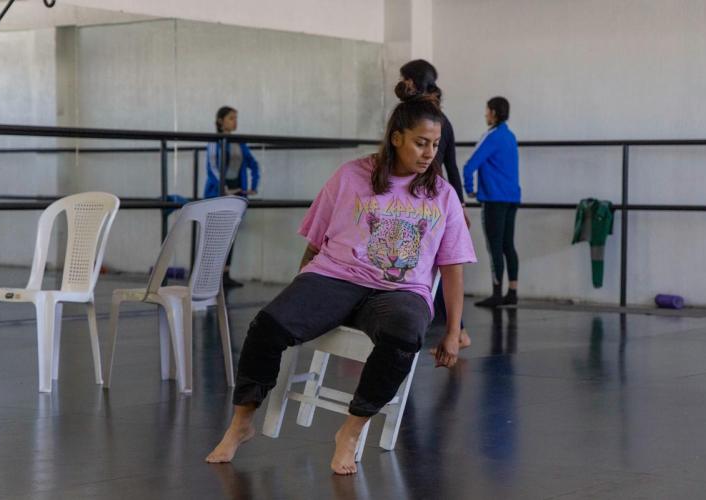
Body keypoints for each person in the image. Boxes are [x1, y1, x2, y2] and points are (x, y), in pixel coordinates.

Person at [205, 95, 476, 475]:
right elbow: (315, 242)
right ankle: (241, 423)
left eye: (436, 144)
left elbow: (452, 267)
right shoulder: (351, 175)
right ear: (396, 137)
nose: (430, 153)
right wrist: (300, 292)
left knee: (404, 335)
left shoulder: (442, 196)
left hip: (400, 292)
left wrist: (452, 331)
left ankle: (350, 430)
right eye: (421, 142)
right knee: (267, 325)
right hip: (334, 276)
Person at [396, 59, 472, 348]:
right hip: (424, 198)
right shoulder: (435, 118)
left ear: (412, 82)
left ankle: (457, 329)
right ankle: (458, 329)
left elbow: (450, 166)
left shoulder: (425, 120)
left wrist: (458, 207)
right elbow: (453, 166)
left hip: (424, 199)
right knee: (435, 266)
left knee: (429, 265)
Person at [463, 96, 520, 307]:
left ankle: (497, 293)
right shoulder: (510, 136)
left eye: (487, 111)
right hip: (512, 198)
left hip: (494, 200)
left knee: (495, 246)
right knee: (508, 245)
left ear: (494, 113)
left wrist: (469, 190)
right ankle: (512, 292)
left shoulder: (492, 136)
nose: (485, 114)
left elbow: (469, 166)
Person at [204, 106, 260, 288]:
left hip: (237, 192)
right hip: (219, 192)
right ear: (220, 121)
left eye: (236, 118)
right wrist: (224, 188)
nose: (234, 122)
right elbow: (212, 167)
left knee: (230, 233)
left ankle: (225, 275)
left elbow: (253, 163)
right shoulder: (215, 141)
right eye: (230, 118)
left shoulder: (239, 142)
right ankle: (210, 275)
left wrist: (253, 186)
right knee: (215, 234)